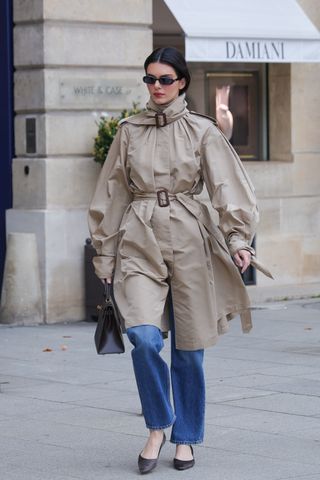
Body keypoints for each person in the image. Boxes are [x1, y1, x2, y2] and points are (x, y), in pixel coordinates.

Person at [88, 47, 259, 474]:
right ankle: (157, 424)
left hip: (189, 235)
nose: (157, 87)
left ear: (181, 82)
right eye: (150, 79)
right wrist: (104, 254)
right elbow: (112, 195)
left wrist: (238, 239)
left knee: (189, 346)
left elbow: (227, 188)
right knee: (143, 338)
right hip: (139, 237)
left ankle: (186, 437)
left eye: (165, 79)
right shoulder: (128, 132)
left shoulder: (202, 131)